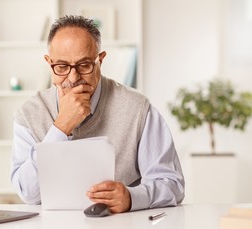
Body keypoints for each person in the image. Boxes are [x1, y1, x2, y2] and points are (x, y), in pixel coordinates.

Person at [10, 15, 185, 213]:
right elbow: (27, 193)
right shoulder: (29, 114)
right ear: (49, 63)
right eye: (61, 67)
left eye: (84, 65)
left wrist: (131, 197)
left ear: (100, 60)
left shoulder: (138, 109)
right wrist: (61, 127)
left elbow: (172, 184)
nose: (73, 77)